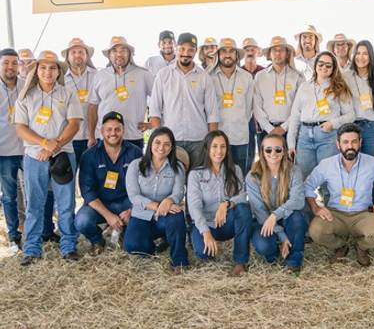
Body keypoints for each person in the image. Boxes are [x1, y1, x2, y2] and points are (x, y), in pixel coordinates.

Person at [14, 50, 82, 264]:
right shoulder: (26, 96)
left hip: (63, 155)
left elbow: (74, 123)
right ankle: (32, 249)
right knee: (34, 203)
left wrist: (55, 146)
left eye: (52, 68)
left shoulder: (68, 93)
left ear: (58, 71)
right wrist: (44, 143)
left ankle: (69, 246)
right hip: (35, 157)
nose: (47, 71)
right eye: (43, 67)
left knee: (66, 203)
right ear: (36, 70)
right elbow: (21, 128)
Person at [305, 123, 374, 267]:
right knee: (316, 231)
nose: (350, 146)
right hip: (335, 215)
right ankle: (340, 246)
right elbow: (308, 186)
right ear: (338, 144)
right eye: (345, 142)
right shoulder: (327, 165)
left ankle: (361, 247)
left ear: (360, 143)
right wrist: (316, 208)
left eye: (354, 141)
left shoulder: (372, 163)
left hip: (363, 214)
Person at [187, 129, 252, 275]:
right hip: (207, 224)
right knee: (203, 254)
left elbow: (242, 196)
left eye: (223, 146)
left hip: (227, 222)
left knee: (243, 210)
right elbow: (194, 207)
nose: (219, 151)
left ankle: (240, 262)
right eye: (214, 146)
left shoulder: (235, 170)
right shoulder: (195, 174)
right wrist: (205, 232)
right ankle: (206, 242)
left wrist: (226, 204)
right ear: (207, 148)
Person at [148, 32, 219, 166]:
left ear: (196, 51)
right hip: (170, 140)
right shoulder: (163, 75)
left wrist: (212, 143)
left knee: (197, 181)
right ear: (176, 48)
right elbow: (154, 110)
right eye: (182, 49)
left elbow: (212, 114)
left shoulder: (204, 78)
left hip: (199, 140)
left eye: (190, 50)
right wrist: (159, 139)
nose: (186, 53)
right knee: (172, 183)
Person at [76, 111, 142, 253]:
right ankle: (97, 240)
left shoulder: (135, 153)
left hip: (126, 202)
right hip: (100, 203)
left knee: (138, 227)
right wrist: (108, 216)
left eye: (117, 129)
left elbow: (143, 185)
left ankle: (124, 234)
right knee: (82, 221)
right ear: (102, 131)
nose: (113, 133)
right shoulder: (89, 155)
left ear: (123, 130)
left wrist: (132, 209)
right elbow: (87, 192)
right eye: (109, 129)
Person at [124, 126, 188, 270]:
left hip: (165, 216)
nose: (161, 147)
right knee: (132, 246)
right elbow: (134, 196)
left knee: (177, 216)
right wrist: (158, 206)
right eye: (157, 143)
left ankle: (179, 262)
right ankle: (154, 246)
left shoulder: (177, 167)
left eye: (167, 144)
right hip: (142, 215)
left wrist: (169, 201)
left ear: (172, 147)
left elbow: (178, 193)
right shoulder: (136, 165)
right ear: (150, 143)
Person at [287, 51, 355, 179]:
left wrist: (332, 124)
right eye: (321, 64)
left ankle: (328, 200)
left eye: (328, 65)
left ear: (333, 68)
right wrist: (291, 143)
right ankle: (306, 201)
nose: (324, 67)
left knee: (327, 178)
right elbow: (295, 115)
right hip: (304, 137)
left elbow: (351, 115)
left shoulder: (339, 87)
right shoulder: (304, 87)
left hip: (328, 136)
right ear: (315, 65)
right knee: (303, 178)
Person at [246, 133, 307, 272]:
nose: (273, 153)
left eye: (278, 149)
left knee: (297, 218)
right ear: (262, 152)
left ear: (284, 151)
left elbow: (297, 201)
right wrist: (282, 235)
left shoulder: (294, 170)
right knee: (264, 246)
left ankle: (294, 260)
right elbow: (259, 211)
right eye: (268, 150)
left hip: (287, 217)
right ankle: (275, 253)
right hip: (263, 221)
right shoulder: (253, 175)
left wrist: (275, 216)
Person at [89, 36, 153, 149]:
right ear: (109, 55)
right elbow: (93, 107)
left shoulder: (143, 74)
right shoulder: (99, 76)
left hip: (133, 136)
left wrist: (152, 123)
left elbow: (159, 100)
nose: (119, 54)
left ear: (129, 54)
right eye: (114, 51)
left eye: (123, 50)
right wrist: (91, 135)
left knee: (134, 167)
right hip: (105, 137)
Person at [211, 38, 254, 174]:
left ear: (236, 55)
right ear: (218, 55)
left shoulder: (247, 77)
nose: (227, 55)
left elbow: (249, 108)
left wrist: (238, 120)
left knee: (239, 175)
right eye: (223, 51)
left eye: (231, 51)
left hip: (240, 136)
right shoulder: (209, 77)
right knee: (217, 175)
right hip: (217, 137)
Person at [253, 35, 303, 149]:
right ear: (270, 54)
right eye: (274, 50)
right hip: (266, 131)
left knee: (290, 165)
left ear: (287, 54)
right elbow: (256, 106)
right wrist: (270, 129)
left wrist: (283, 128)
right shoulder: (260, 77)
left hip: (291, 130)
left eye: (281, 50)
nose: (278, 53)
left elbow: (300, 107)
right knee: (267, 165)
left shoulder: (297, 76)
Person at [343, 40, 374, 160]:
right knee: (353, 166)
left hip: (372, 127)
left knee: (372, 166)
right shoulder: (345, 77)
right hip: (351, 126)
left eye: (365, 54)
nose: (361, 57)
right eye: (358, 53)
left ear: (371, 56)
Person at [0, 48, 24, 252]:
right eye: (6, 63)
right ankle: (14, 235)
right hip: (4, 151)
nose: (10, 67)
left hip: (29, 149)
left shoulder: (26, 85)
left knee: (37, 193)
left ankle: (41, 231)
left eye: (14, 63)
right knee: (9, 196)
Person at [61, 37, 96, 165]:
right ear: (67, 57)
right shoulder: (61, 80)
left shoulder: (98, 75)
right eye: (73, 52)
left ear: (87, 55)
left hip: (94, 135)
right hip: (70, 137)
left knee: (92, 177)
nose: (77, 55)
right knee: (70, 175)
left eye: (81, 52)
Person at [241, 38, 265, 166]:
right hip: (246, 118)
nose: (250, 52)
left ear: (257, 52)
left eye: (252, 49)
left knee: (264, 151)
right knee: (248, 153)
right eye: (247, 49)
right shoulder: (238, 72)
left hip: (262, 117)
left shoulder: (264, 72)